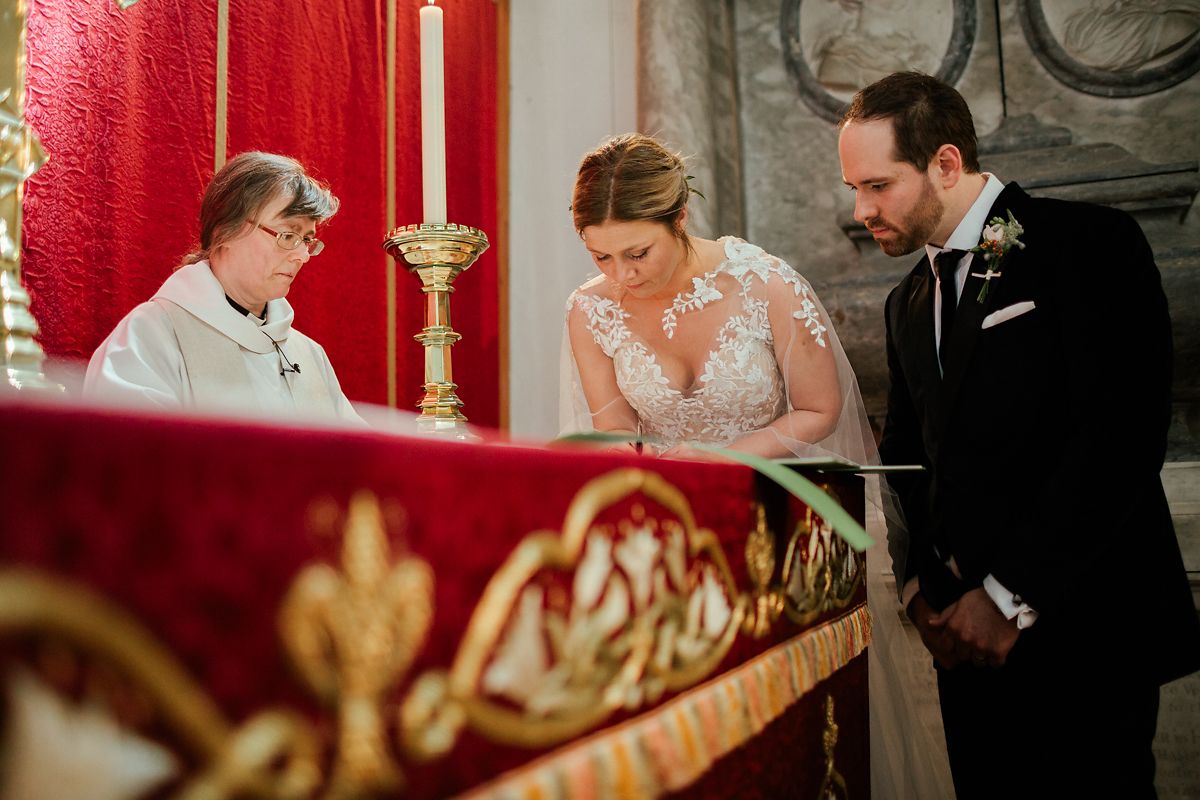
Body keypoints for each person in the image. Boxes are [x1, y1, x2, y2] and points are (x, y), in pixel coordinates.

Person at [838, 71, 1200, 796]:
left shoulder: (1087, 244)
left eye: (878, 185)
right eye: (855, 188)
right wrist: (919, 595)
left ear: (945, 163)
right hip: (963, 646)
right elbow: (909, 458)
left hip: (1086, 625)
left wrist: (1006, 598)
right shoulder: (906, 301)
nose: (861, 209)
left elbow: (1120, 437)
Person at [561, 133, 875, 468]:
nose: (622, 275)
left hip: (768, 495)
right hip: (663, 497)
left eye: (638, 254)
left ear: (679, 218)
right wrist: (625, 448)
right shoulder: (592, 310)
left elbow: (820, 410)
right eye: (602, 257)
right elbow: (614, 426)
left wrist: (724, 457)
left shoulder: (768, 286)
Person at [84, 151, 361, 423]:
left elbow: (355, 458)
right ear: (227, 230)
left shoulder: (308, 354)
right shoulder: (152, 335)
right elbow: (128, 454)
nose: (301, 256)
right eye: (288, 235)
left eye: (307, 240)